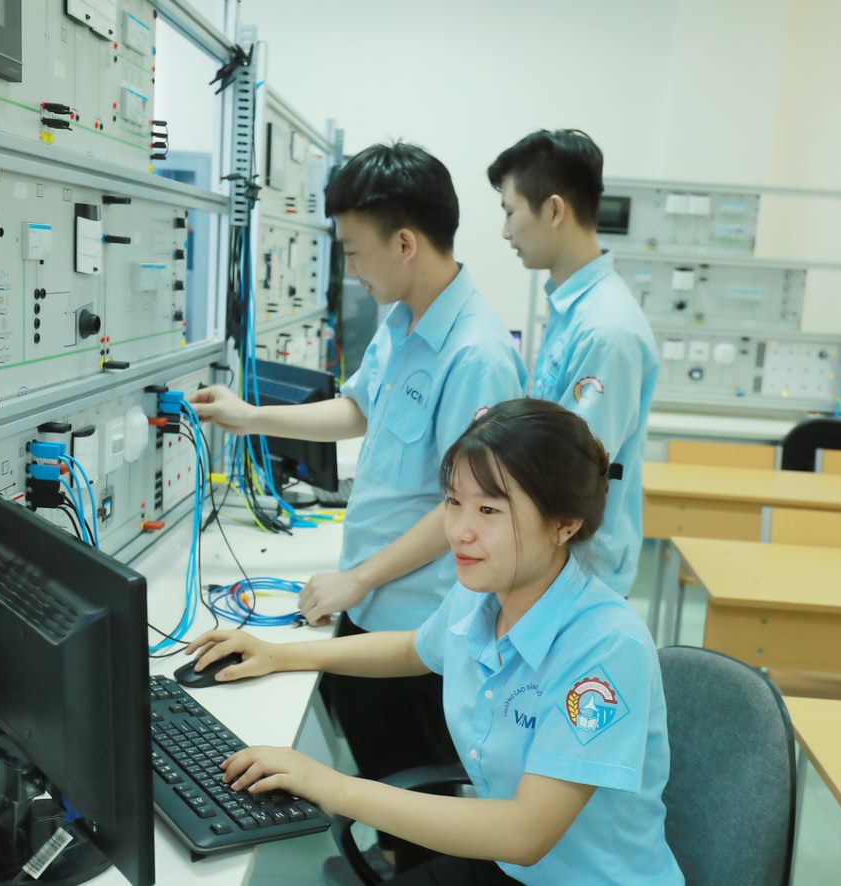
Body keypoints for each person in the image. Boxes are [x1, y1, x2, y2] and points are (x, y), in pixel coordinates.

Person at [192, 141, 526, 872]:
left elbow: (466, 514)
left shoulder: (475, 355)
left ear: (404, 243)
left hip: (419, 626)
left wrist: (361, 578)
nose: (349, 268)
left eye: (353, 250)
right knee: (378, 773)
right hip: (372, 604)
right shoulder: (406, 322)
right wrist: (250, 417)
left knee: (419, 811)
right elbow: (357, 410)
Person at [183, 399, 684, 885]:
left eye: (489, 509)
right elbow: (412, 650)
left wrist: (332, 786)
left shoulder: (605, 648)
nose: (460, 531)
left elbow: (526, 834)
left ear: (563, 524)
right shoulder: (485, 593)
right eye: (454, 502)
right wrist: (279, 655)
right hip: (505, 867)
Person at [487, 129, 659, 598]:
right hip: (550, 566)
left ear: (554, 210)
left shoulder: (607, 329)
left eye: (509, 212)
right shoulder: (573, 312)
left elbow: (568, 475)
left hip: (578, 578)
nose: (505, 232)